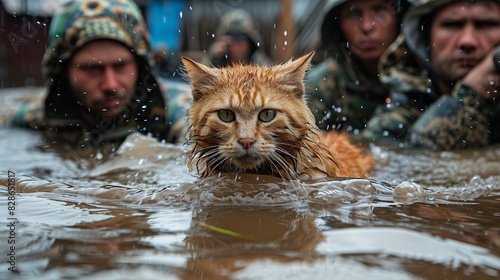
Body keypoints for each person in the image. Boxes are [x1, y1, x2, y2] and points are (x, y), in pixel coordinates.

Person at [11, 0, 190, 147]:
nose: (110, 85)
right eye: (91, 68)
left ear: (141, 65)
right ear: (63, 71)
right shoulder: (37, 119)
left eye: (121, 66)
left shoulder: (178, 110)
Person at [361, 0, 500, 150]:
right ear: (427, 37)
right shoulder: (406, 103)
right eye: (452, 25)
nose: (468, 41)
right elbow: (412, 162)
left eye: (486, 25)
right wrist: (474, 91)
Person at [306, 0, 412, 134]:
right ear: (338, 23)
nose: (367, 26)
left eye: (380, 10)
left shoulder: (427, 75)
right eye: (353, 13)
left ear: (401, 17)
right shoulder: (323, 82)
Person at [205, 9, 271, 67]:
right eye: (232, 42)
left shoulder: (259, 63)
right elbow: (199, 77)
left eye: (241, 42)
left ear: (250, 44)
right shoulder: (215, 60)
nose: (237, 48)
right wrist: (213, 60)